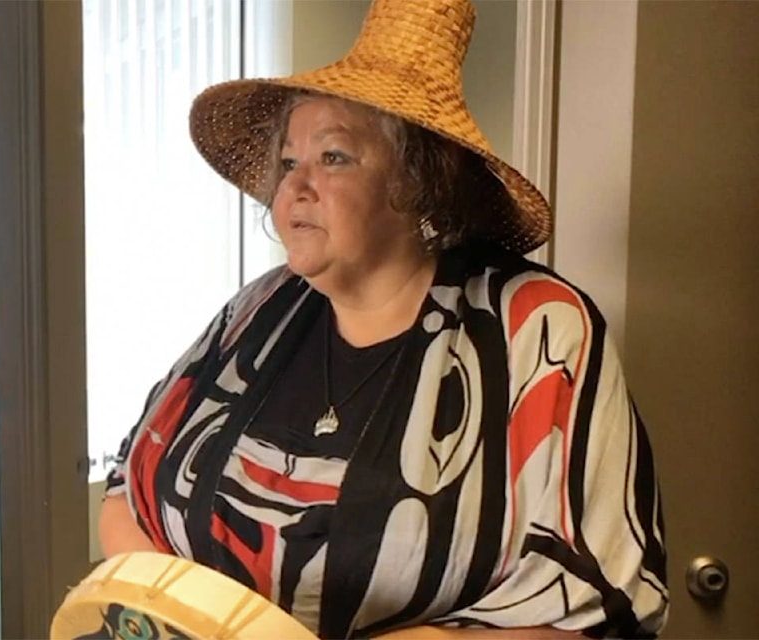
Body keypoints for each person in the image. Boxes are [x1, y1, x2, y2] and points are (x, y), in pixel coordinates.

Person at [98, 0, 668, 637]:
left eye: (333, 157)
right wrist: (187, 618)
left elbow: (601, 599)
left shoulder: (536, 329)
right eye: (289, 162)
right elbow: (126, 488)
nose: (295, 187)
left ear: (419, 179)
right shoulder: (258, 308)